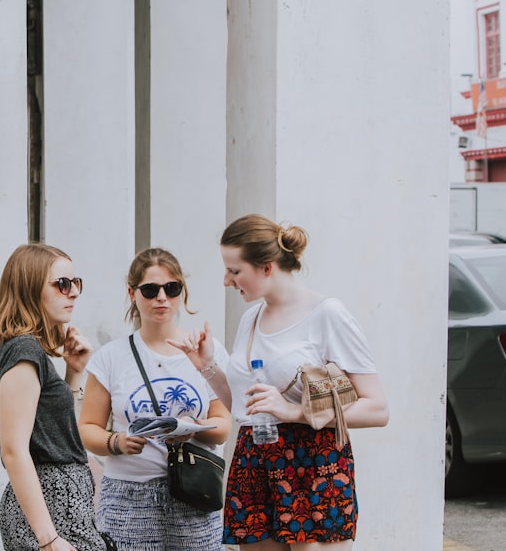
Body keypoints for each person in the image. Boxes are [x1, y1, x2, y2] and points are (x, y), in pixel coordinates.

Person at [170, 214, 389, 549]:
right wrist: (206, 366)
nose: (226, 280)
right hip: (253, 456)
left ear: (267, 267)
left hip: (312, 462)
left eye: (235, 270)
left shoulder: (327, 313)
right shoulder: (251, 317)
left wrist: (294, 411)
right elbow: (245, 404)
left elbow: (376, 409)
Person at [78, 248, 231, 550]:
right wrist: (117, 443)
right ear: (132, 292)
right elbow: (88, 428)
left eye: (171, 288)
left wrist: (193, 428)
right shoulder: (111, 358)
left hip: (194, 489)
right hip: (127, 495)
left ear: (181, 292)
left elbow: (223, 424)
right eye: (150, 290)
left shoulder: (206, 351)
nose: (161, 298)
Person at [0, 243, 107, 551]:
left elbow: (47, 429)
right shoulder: (23, 351)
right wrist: (49, 538)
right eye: (62, 284)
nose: (74, 292)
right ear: (30, 288)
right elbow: (13, 451)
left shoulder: (19, 349)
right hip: (53, 507)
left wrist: (73, 373)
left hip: (55, 504)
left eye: (76, 283)